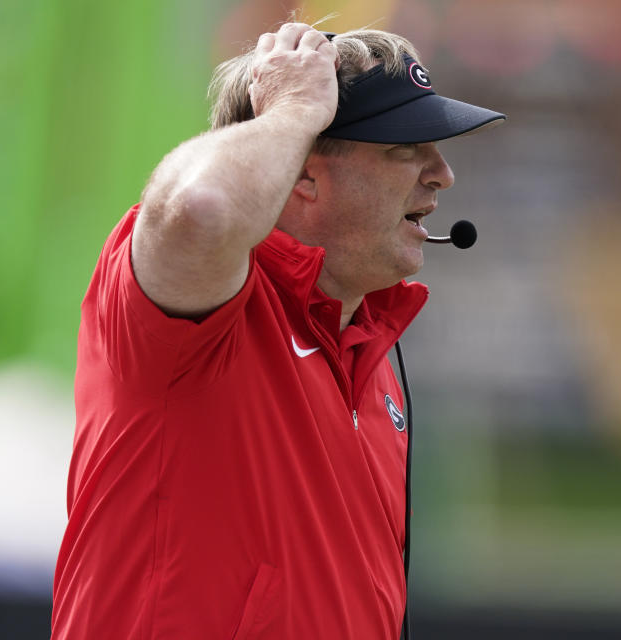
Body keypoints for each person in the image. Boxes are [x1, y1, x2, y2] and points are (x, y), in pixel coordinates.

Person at [50, 22, 504, 639]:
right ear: (302, 175)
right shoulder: (196, 313)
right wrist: (293, 109)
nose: (441, 173)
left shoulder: (372, 360)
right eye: (404, 148)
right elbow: (200, 208)